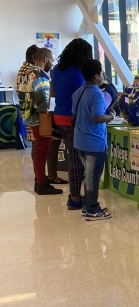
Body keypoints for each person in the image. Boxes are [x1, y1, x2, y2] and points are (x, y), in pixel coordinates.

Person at [51, 38, 94, 210]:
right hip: (74, 118)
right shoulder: (79, 73)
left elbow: (53, 93)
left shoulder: (56, 70)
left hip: (60, 116)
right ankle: (75, 198)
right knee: (76, 159)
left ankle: (75, 196)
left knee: (73, 155)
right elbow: (83, 98)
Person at [72, 59, 114, 220]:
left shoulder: (79, 91)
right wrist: (110, 117)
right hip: (93, 141)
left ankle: (88, 205)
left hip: (80, 140)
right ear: (96, 75)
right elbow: (96, 117)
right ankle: (92, 209)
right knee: (92, 177)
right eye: (102, 72)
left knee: (88, 175)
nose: (103, 75)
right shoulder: (96, 93)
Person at [22, 48, 63, 195]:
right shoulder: (41, 75)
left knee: (39, 150)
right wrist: (46, 117)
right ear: (45, 59)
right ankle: (41, 183)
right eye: (51, 60)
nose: (52, 64)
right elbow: (42, 101)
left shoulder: (30, 73)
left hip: (32, 117)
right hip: (40, 118)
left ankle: (39, 180)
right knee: (42, 150)